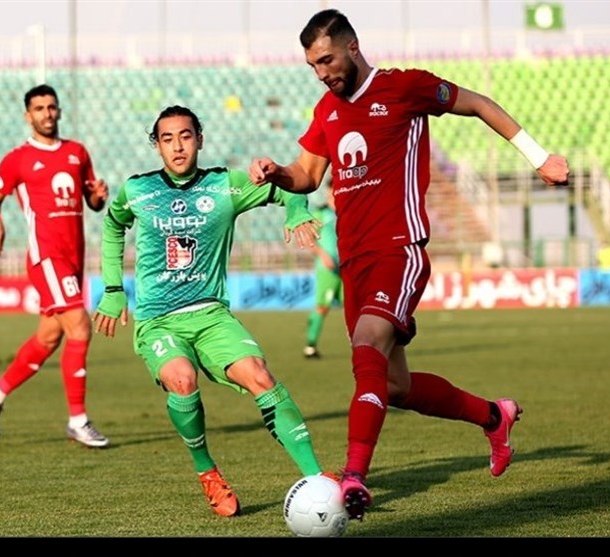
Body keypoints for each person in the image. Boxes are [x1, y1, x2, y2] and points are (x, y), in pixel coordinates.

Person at [249, 9, 570, 521]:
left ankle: (354, 476)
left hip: (398, 248)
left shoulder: (404, 88)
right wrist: (275, 173)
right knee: (392, 386)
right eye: (312, 65)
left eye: (327, 60)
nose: (321, 73)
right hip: (354, 261)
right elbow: (306, 174)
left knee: (367, 343)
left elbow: (478, 103)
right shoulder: (327, 111)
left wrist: (539, 157)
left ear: (353, 47)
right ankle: (494, 416)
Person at [92, 105, 330, 517]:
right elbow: (113, 225)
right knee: (181, 379)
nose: (177, 146)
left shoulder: (226, 186)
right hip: (158, 321)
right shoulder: (138, 190)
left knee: (260, 376)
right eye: (167, 139)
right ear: (156, 146)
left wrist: (297, 211)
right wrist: (113, 289)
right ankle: (207, 471)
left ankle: (317, 479)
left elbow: (289, 185)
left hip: (211, 315)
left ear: (199, 139)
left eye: (185, 136)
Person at [0, 83, 110, 448]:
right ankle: (78, 420)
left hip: (74, 255)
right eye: (39, 108)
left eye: (52, 107)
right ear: (28, 115)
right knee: (80, 326)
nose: (47, 113)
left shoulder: (77, 152)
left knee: (49, 337)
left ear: (59, 111)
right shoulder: (17, 159)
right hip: (46, 255)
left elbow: (92, 201)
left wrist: (98, 198)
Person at [303, 179, 342, 359]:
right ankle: (310, 346)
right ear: (328, 191)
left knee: (355, 307)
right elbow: (309, 240)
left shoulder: (345, 213)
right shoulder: (321, 213)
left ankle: (362, 346)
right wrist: (323, 255)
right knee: (323, 307)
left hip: (347, 267)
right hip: (328, 269)